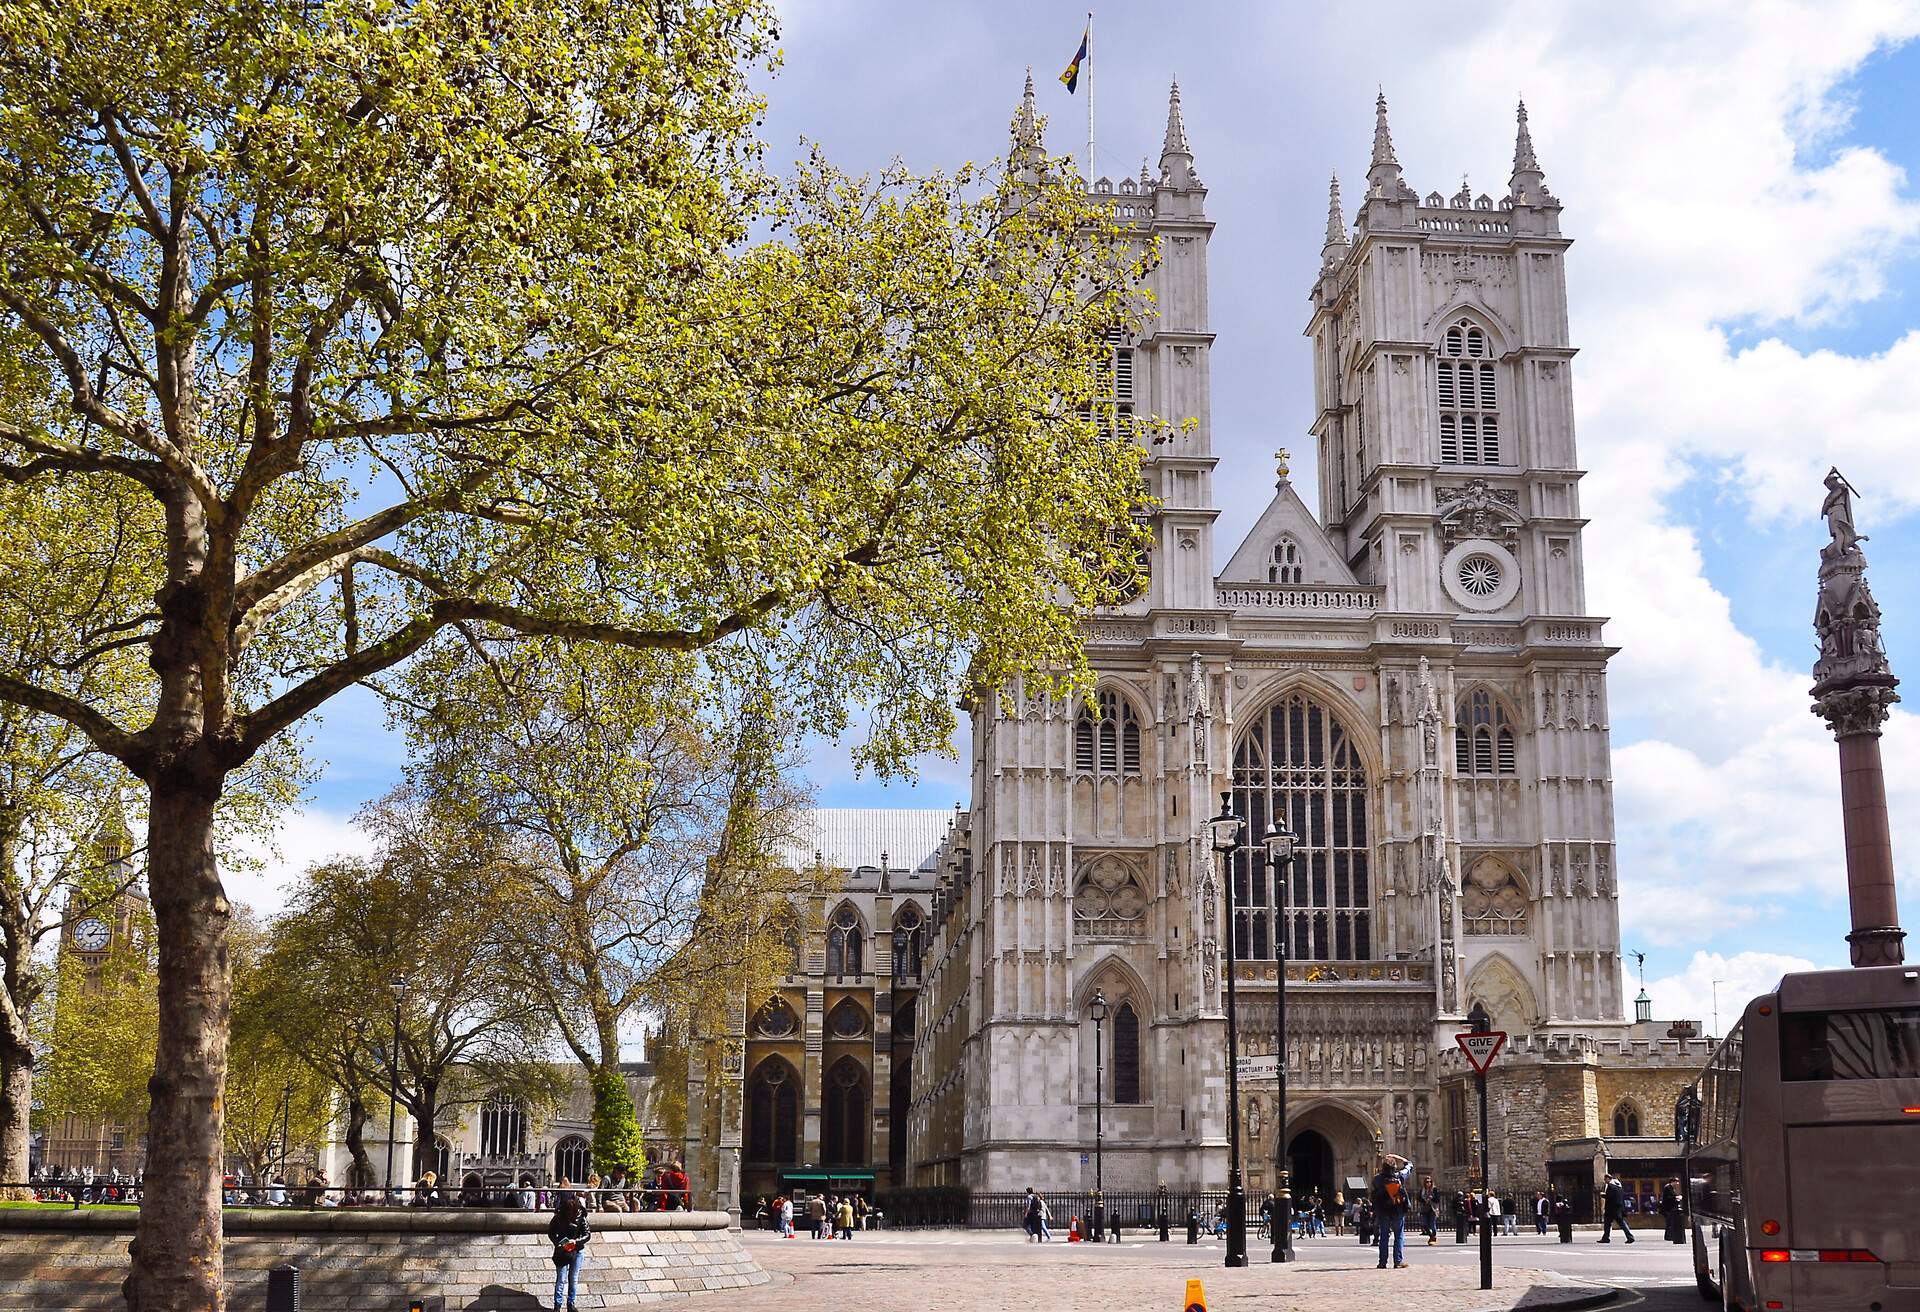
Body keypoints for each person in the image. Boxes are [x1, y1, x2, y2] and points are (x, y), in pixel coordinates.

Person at [549, 1192, 591, 1312]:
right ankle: (557, 1305)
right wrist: (558, 1243)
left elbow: (587, 1234)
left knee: (573, 1278)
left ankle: (570, 1304)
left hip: (577, 1250)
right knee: (561, 1278)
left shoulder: (581, 1215)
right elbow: (551, 1232)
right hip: (563, 1250)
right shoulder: (558, 1216)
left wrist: (576, 1242)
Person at [1369, 1152, 1413, 1269]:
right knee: (1398, 1235)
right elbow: (1409, 1166)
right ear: (1394, 1167)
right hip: (1397, 1209)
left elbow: (1373, 1195)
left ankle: (1382, 1262)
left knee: (1384, 1235)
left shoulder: (1377, 1179)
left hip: (1383, 1210)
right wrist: (1399, 1157)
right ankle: (1398, 1261)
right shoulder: (1399, 1177)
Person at [1599, 1173, 1635, 1243]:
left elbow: (1609, 1197)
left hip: (1611, 1209)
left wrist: (1603, 1195)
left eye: (1605, 1179)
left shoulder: (1611, 1186)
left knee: (1607, 1223)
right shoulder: (1619, 1186)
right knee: (1621, 1223)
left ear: (1608, 1179)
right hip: (1618, 1208)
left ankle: (1606, 1238)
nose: (1605, 1181)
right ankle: (1630, 1237)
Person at [1660, 1177, 1686, 1244]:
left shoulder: (1671, 1188)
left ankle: (1669, 1236)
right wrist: (1676, 1197)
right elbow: (1668, 1198)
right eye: (1676, 1182)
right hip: (1667, 1209)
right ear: (1672, 1181)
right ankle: (1668, 1236)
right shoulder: (1668, 1188)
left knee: (1670, 1223)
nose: (1677, 1183)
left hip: (1670, 1209)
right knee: (1669, 1223)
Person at [1418, 1175, 1439, 1246]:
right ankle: (1431, 1236)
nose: (1428, 1183)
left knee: (1432, 1225)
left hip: (1432, 1209)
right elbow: (1418, 1198)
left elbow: (1437, 1199)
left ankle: (1433, 1237)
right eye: (1427, 1182)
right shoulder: (1422, 1190)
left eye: (1430, 1182)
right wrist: (1424, 1200)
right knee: (1424, 1224)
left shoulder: (1434, 1189)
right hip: (1424, 1209)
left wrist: (1431, 1198)